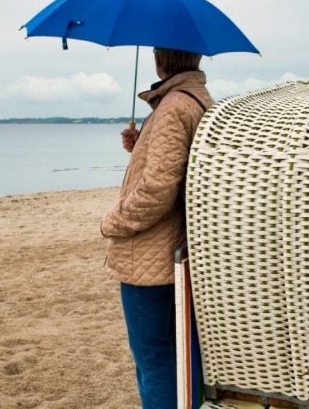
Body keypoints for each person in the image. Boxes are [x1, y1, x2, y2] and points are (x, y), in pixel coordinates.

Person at [100, 47, 212, 409]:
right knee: (179, 360)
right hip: (176, 251)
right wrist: (141, 146)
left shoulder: (173, 106)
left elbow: (157, 190)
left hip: (149, 258)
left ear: (160, 60)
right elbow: (178, 173)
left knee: (154, 362)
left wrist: (112, 222)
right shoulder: (198, 100)